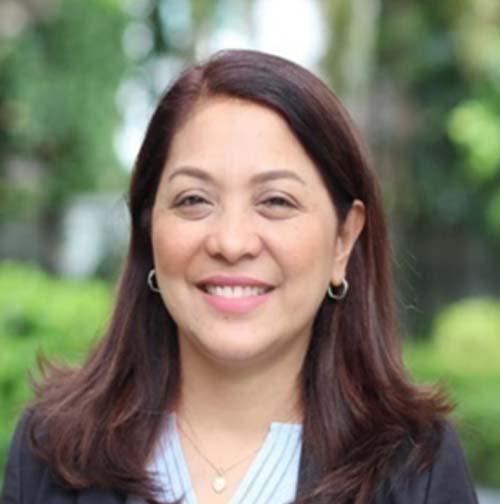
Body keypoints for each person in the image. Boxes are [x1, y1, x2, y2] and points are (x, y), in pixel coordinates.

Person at [1, 49, 478, 504]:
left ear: (343, 240)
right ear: (147, 231)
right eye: (194, 200)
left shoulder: (417, 469)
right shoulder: (52, 452)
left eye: (276, 201)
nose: (231, 243)